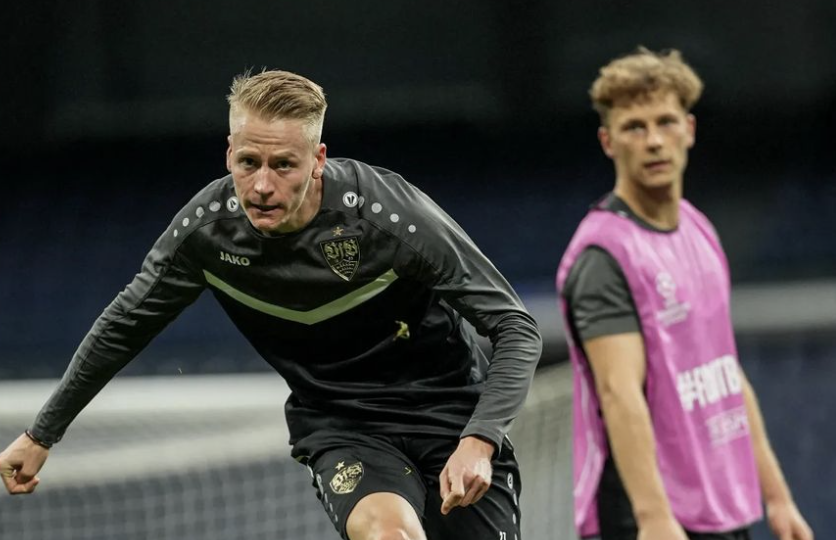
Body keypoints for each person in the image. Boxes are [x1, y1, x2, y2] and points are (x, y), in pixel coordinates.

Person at [0, 69, 542, 540]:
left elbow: (517, 328)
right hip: (344, 426)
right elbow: (124, 326)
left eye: (283, 164)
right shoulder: (206, 233)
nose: (261, 185)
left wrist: (479, 440)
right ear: (228, 154)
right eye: (248, 161)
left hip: (452, 416)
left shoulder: (388, 217)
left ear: (318, 159)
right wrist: (41, 432)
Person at [556, 48, 814, 540]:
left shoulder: (698, 228)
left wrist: (777, 497)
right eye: (634, 127)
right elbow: (619, 395)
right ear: (608, 141)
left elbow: (725, 370)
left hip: (721, 504)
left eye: (666, 121)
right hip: (652, 517)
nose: (653, 140)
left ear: (689, 130)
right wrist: (654, 520)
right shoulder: (603, 258)